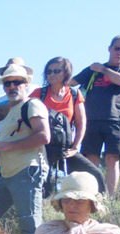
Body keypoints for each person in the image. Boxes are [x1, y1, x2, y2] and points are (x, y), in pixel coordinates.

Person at [0, 63, 50, 234]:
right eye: (7, 83)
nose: (12, 86)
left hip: (27, 171)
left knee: (31, 225)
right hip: (7, 175)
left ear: (26, 84)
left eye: (17, 81)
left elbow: (44, 136)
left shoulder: (32, 104)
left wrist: (7, 146)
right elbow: (9, 145)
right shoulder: (9, 113)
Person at [71, 35, 120, 197]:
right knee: (91, 159)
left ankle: (111, 199)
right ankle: (93, 196)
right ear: (110, 48)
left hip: (116, 120)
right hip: (90, 120)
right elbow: (69, 83)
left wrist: (103, 69)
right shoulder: (92, 70)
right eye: (117, 48)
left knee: (112, 159)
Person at [31, 57, 108, 195]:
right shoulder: (39, 94)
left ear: (66, 73)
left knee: (95, 174)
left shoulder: (74, 94)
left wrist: (75, 147)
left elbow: (81, 123)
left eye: (56, 71)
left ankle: (102, 204)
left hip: (66, 149)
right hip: (42, 149)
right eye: (49, 72)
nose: (52, 74)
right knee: (45, 186)